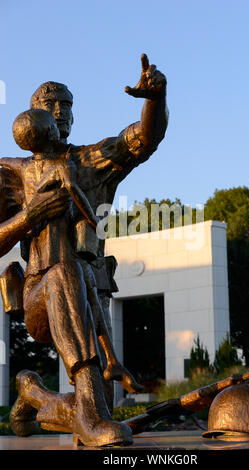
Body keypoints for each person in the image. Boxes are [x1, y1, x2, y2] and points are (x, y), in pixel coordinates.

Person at [0, 53, 168, 446]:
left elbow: (144, 139)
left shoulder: (91, 161)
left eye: (67, 106)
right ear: (32, 116)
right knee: (64, 272)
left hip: (92, 301)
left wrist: (155, 101)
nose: (60, 112)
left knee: (95, 407)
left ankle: (34, 393)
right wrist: (29, 215)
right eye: (50, 105)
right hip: (43, 292)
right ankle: (91, 416)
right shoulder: (12, 172)